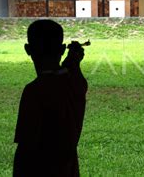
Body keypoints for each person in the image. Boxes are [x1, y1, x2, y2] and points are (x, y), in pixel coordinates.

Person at [13, 20, 88, 177]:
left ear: (28, 49)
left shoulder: (33, 91)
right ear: (61, 49)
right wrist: (73, 61)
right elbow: (70, 74)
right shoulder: (76, 84)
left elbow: (25, 150)